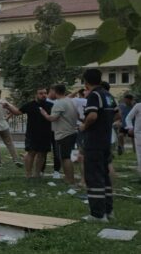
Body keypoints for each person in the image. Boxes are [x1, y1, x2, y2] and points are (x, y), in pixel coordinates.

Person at [80, 69, 119, 222]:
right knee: (104, 176)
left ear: (86, 82)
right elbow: (117, 114)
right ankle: (109, 211)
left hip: (94, 141)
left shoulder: (94, 95)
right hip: (105, 141)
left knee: (94, 177)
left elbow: (92, 115)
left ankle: (97, 214)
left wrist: (84, 126)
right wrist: (106, 123)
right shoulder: (108, 95)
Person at [6, 87, 52, 179]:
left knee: (42, 154)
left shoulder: (51, 105)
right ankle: (28, 174)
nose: (43, 95)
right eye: (41, 93)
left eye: (45, 93)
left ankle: (37, 174)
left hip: (46, 133)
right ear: (36, 95)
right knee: (31, 153)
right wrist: (8, 106)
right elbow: (18, 112)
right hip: (32, 133)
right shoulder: (30, 105)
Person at [40, 84, 79, 185]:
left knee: (64, 158)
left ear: (54, 91)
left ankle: (69, 179)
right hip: (71, 132)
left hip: (63, 134)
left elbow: (52, 118)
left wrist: (43, 113)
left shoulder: (59, 103)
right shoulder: (70, 101)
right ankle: (69, 178)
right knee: (66, 157)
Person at [45, 87, 62, 178]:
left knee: (57, 151)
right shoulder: (45, 102)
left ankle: (56, 171)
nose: (56, 93)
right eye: (54, 91)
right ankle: (41, 170)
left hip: (56, 130)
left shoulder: (60, 102)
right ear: (50, 91)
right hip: (46, 130)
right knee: (43, 150)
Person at [124, 95, 141, 173]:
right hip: (138, 133)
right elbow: (128, 117)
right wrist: (130, 127)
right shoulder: (138, 106)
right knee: (139, 152)